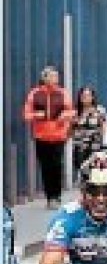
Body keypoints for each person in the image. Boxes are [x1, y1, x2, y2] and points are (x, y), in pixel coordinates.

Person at [22, 66, 75, 208]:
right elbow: (26, 115)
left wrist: (64, 116)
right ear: (44, 78)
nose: (54, 79)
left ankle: (56, 196)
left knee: (57, 165)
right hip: (41, 136)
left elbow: (71, 111)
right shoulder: (35, 94)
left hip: (58, 136)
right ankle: (49, 196)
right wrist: (37, 115)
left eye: (56, 76)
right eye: (51, 76)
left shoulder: (63, 93)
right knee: (45, 167)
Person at [69, 86, 107, 175]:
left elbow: (105, 127)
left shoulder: (99, 110)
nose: (85, 98)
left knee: (96, 175)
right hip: (80, 148)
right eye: (83, 95)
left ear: (92, 97)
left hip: (96, 148)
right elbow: (70, 130)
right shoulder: (75, 112)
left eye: (88, 95)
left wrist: (106, 145)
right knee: (82, 174)